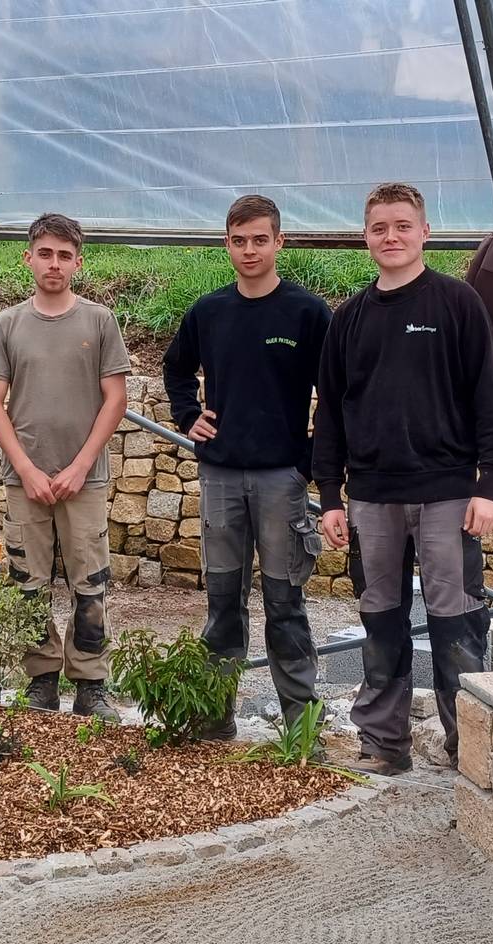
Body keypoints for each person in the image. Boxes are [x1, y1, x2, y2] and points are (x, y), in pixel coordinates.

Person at [313, 182, 493, 774]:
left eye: (402, 225)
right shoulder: (348, 318)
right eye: (379, 228)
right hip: (371, 498)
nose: (391, 237)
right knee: (380, 620)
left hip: (449, 494)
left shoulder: (456, 303)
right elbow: (330, 415)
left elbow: (486, 400)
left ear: (425, 232)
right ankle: (384, 744)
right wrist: (329, 496)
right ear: (365, 236)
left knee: (458, 622)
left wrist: (489, 487)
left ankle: (468, 749)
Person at [162, 194, 330, 736]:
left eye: (261, 239)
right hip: (220, 476)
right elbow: (177, 369)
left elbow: (336, 394)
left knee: (285, 605)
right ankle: (215, 720)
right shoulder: (209, 312)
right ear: (226, 244)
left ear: (280, 241)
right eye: (239, 241)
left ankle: (301, 730)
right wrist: (190, 415)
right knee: (222, 604)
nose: (250, 250)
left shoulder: (306, 313)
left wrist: (307, 461)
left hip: (282, 479)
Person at [0, 213, 132, 720]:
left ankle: (90, 683)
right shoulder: (8, 325)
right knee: (27, 584)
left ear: (78, 263)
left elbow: (115, 399)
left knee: (91, 583)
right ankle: (40, 680)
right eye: (45, 253)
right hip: (26, 481)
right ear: (28, 258)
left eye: (65, 255)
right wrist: (25, 468)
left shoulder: (99, 321)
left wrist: (80, 466)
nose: (54, 263)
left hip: (84, 481)